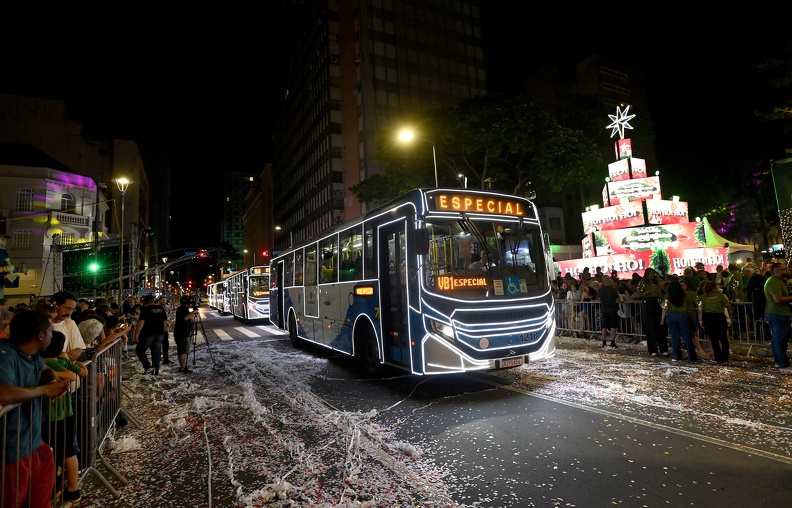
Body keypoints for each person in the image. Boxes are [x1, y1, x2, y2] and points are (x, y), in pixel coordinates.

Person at [0, 309, 70, 508]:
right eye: (50, 331)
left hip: (33, 443)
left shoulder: (32, 354)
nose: (51, 336)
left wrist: (53, 380)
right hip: (11, 449)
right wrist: (44, 390)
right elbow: (3, 394)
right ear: (40, 335)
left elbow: (45, 369)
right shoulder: (5, 355)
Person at [40, 330, 87, 504]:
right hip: (64, 415)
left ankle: (56, 489)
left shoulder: (41, 363)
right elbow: (81, 374)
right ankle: (72, 489)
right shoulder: (62, 361)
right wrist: (80, 364)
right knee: (68, 452)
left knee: (51, 453)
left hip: (47, 417)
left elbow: (71, 375)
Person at [763, 262, 792, 373]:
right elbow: (778, 299)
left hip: (775, 313)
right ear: (777, 271)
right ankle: (782, 364)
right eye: (784, 269)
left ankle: (779, 362)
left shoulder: (775, 281)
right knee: (780, 339)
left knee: (777, 339)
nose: (786, 271)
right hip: (778, 313)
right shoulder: (774, 282)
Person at [632, 267, 668, 356]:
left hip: (657, 301)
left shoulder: (657, 282)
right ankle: (653, 349)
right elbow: (638, 294)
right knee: (650, 326)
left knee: (660, 325)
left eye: (654, 274)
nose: (653, 275)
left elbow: (661, 292)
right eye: (651, 274)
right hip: (648, 302)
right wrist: (649, 291)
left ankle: (663, 348)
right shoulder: (642, 282)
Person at [660, 280, 697, 362]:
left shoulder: (668, 296)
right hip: (683, 315)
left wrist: (662, 319)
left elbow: (665, 307)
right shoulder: (684, 295)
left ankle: (677, 356)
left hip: (671, 316)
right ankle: (692, 356)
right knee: (687, 336)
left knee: (675, 337)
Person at [132, 294, 168, 375]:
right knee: (156, 352)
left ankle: (148, 367)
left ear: (145, 302)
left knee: (140, 350)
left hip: (148, 334)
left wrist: (136, 334)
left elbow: (141, 322)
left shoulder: (146, 310)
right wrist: (164, 331)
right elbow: (164, 321)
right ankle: (155, 371)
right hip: (159, 334)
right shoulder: (160, 308)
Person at [698, 280, 732, 365]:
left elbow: (700, 309)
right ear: (714, 288)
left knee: (713, 339)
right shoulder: (721, 296)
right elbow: (727, 305)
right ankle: (725, 356)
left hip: (708, 317)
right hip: (720, 316)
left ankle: (718, 357)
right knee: (723, 338)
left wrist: (700, 320)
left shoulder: (702, 297)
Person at [50, 291, 86, 363]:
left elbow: (81, 349)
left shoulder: (69, 323)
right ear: (55, 305)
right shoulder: (38, 324)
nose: (70, 313)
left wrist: (79, 351)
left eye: (72, 309)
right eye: (68, 308)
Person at [173, 295, 200, 373]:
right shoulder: (184, 309)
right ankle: (182, 367)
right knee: (183, 351)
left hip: (178, 332)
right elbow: (185, 318)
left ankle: (182, 366)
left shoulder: (179, 308)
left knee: (180, 350)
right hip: (184, 333)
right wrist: (194, 311)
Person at [597, 276, 620, 349]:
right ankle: (612, 341)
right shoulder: (613, 290)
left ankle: (604, 341)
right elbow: (618, 299)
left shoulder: (600, 290)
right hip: (613, 309)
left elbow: (599, 299)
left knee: (604, 326)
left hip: (604, 309)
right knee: (613, 326)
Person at [157, 295, 173, 365]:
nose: (164, 301)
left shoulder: (167, 307)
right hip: (158, 328)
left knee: (166, 344)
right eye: (163, 300)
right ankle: (158, 358)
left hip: (166, 328)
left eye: (165, 300)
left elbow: (170, 315)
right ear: (159, 300)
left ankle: (165, 359)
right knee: (158, 344)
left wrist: (169, 320)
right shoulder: (157, 308)